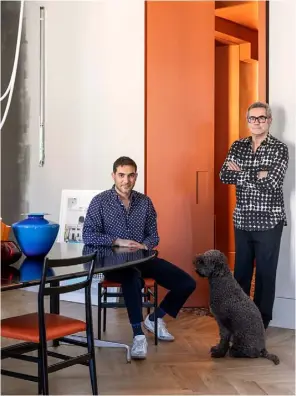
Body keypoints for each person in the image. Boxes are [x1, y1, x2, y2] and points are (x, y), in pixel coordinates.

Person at [83, 156, 196, 359]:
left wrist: (145, 245)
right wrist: (117, 241)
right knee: (131, 278)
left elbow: (154, 235)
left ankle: (155, 318)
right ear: (113, 176)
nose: (126, 180)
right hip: (112, 262)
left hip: (142, 259)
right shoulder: (99, 202)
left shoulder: (145, 202)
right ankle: (138, 336)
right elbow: (88, 235)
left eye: (131, 175)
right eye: (121, 175)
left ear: (136, 176)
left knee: (186, 283)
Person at [219, 101, 289, 330]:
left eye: (261, 118)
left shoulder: (279, 148)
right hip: (242, 219)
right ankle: (239, 320)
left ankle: (261, 322)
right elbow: (224, 176)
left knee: (266, 276)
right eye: (253, 118)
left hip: (270, 220)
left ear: (269, 120)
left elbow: (273, 182)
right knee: (240, 273)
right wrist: (258, 173)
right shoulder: (238, 146)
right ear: (247, 121)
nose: (257, 122)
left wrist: (243, 172)